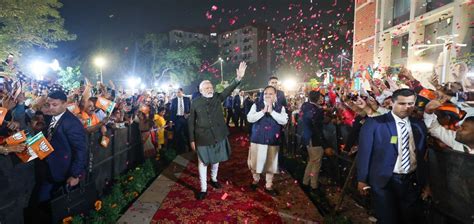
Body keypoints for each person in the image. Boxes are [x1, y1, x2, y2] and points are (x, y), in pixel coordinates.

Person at [357, 88, 428, 224]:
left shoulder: (418, 125)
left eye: (410, 104)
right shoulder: (375, 123)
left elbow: (421, 155)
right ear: (391, 103)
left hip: (410, 181)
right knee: (388, 219)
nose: (407, 107)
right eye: (402, 103)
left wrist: (425, 182)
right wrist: (362, 179)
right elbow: (364, 153)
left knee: (408, 218)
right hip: (384, 181)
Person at [188, 61, 247, 200]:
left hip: (218, 136)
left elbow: (229, 89)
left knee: (216, 160)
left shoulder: (217, 97)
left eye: (210, 86)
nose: (210, 88)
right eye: (206, 87)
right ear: (201, 90)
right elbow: (190, 122)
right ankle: (203, 188)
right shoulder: (195, 103)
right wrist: (191, 139)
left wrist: (238, 78)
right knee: (202, 162)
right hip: (202, 137)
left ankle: (213, 179)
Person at [34, 90, 87, 221]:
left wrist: (75, 174)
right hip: (49, 171)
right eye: (49, 104)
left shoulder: (71, 123)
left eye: (55, 105)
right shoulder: (50, 116)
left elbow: (81, 150)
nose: (50, 108)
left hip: (65, 174)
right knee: (44, 208)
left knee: (61, 211)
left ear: (65, 104)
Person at [247, 85, 288, 196]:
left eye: (270, 94)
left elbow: (284, 121)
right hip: (257, 139)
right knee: (254, 163)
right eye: (265, 93)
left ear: (275, 95)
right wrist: (262, 112)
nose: (267, 96)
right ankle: (256, 179)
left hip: (272, 140)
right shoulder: (256, 105)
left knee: (270, 164)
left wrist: (272, 112)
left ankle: (268, 185)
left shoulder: (280, 108)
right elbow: (249, 118)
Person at [300, 91, 330, 192]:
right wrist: (325, 145)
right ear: (318, 98)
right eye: (321, 97)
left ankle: (305, 182)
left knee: (311, 161)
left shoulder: (306, 106)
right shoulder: (317, 111)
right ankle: (314, 185)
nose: (322, 99)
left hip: (307, 138)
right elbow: (317, 128)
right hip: (314, 139)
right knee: (316, 163)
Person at [170, 88, 191, 153]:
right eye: (177, 92)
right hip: (177, 119)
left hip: (185, 118)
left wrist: (188, 114)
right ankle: (179, 149)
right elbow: (172, 111)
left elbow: (191, 109)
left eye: (179, 92)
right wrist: (171, 121)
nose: (178, 93)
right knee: (177, 134)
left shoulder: (187, 99)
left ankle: (190, 148)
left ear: (182, 92)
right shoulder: (174, 100)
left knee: (187, 133)